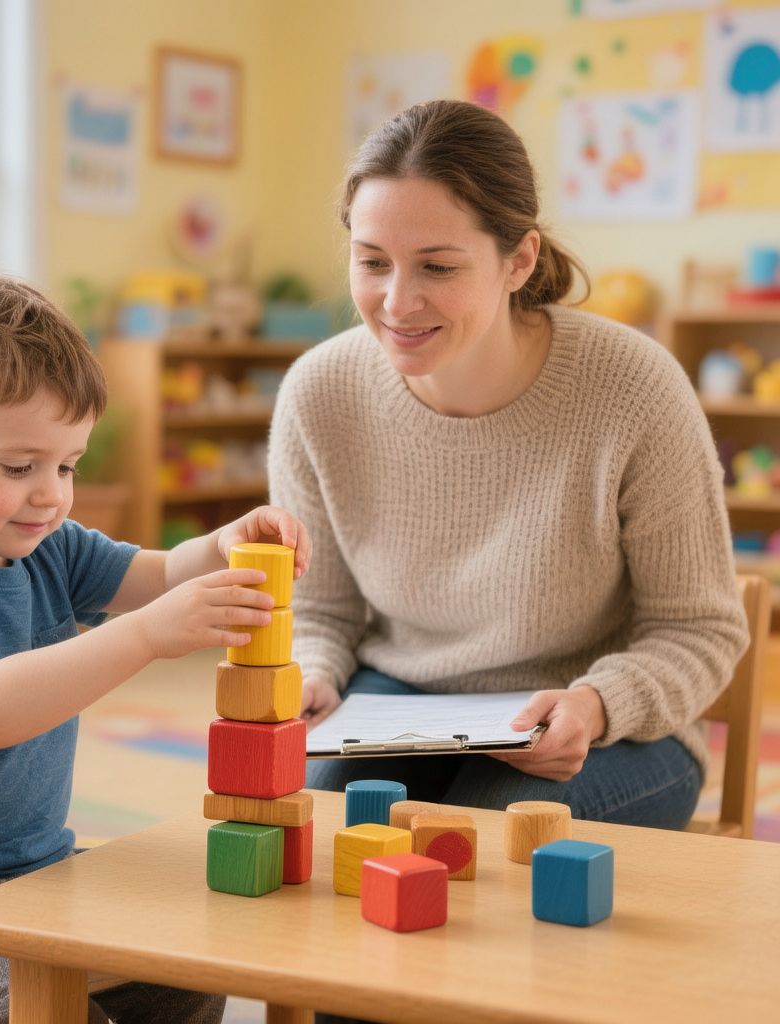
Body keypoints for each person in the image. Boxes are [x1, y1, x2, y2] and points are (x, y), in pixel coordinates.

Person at [0, 265, 311, 1024]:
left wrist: (225, 544)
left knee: (189, 971)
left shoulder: (44, 544)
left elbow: (161, 571)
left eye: (67, 464)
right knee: (47, 1014)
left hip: (35, 881)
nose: (52, 492)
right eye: (20, 467)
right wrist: (147, 635)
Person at [268, 99, 748, 831]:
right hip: (400, 701)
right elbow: (321, 611)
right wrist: (314, 670)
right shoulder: (319, 393)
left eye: (437, 266)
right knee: (319, 823)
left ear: (518, 260)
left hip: (602, 724)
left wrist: (595, 704)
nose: (397, 301)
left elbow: (698, 630)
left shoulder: (634, 387)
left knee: (480, 842)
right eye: (372, 263)